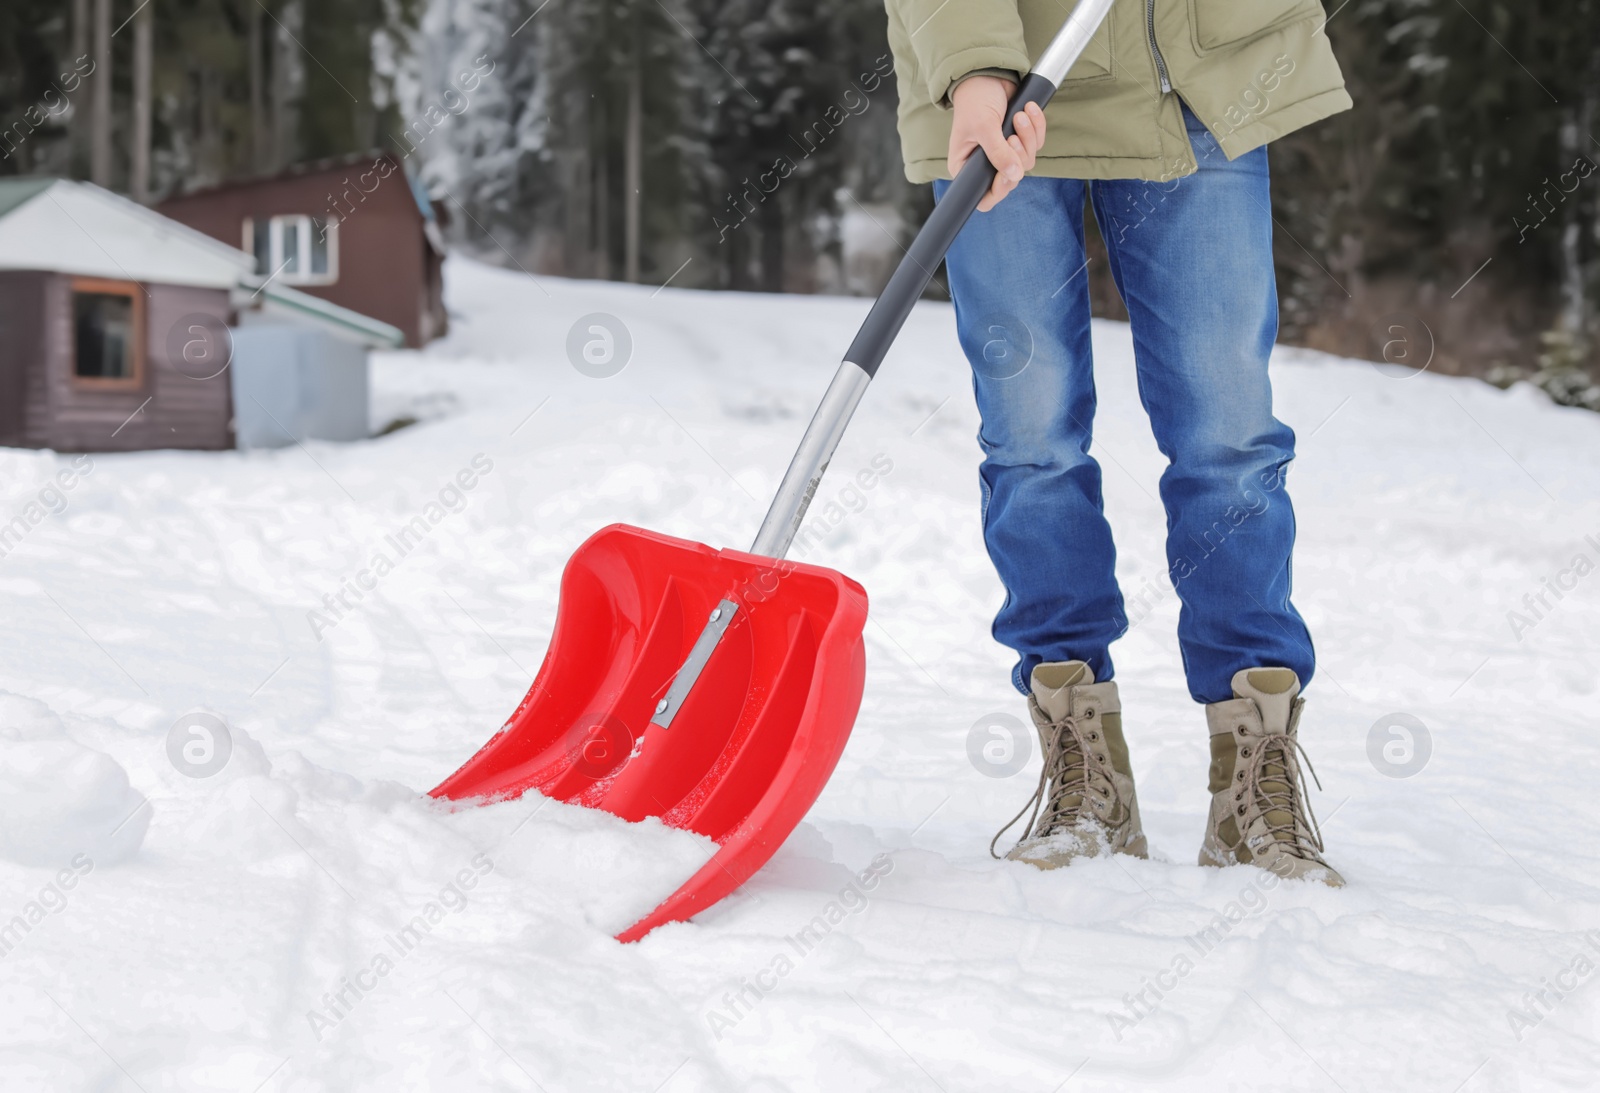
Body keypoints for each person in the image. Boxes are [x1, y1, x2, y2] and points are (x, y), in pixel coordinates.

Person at [885, 0, 1351, 883]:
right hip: (999, 86)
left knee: (1228, 438)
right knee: (1033, 437)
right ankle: (1082, 765)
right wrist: (973, 71)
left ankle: (1255, 772)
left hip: (1196, 73)